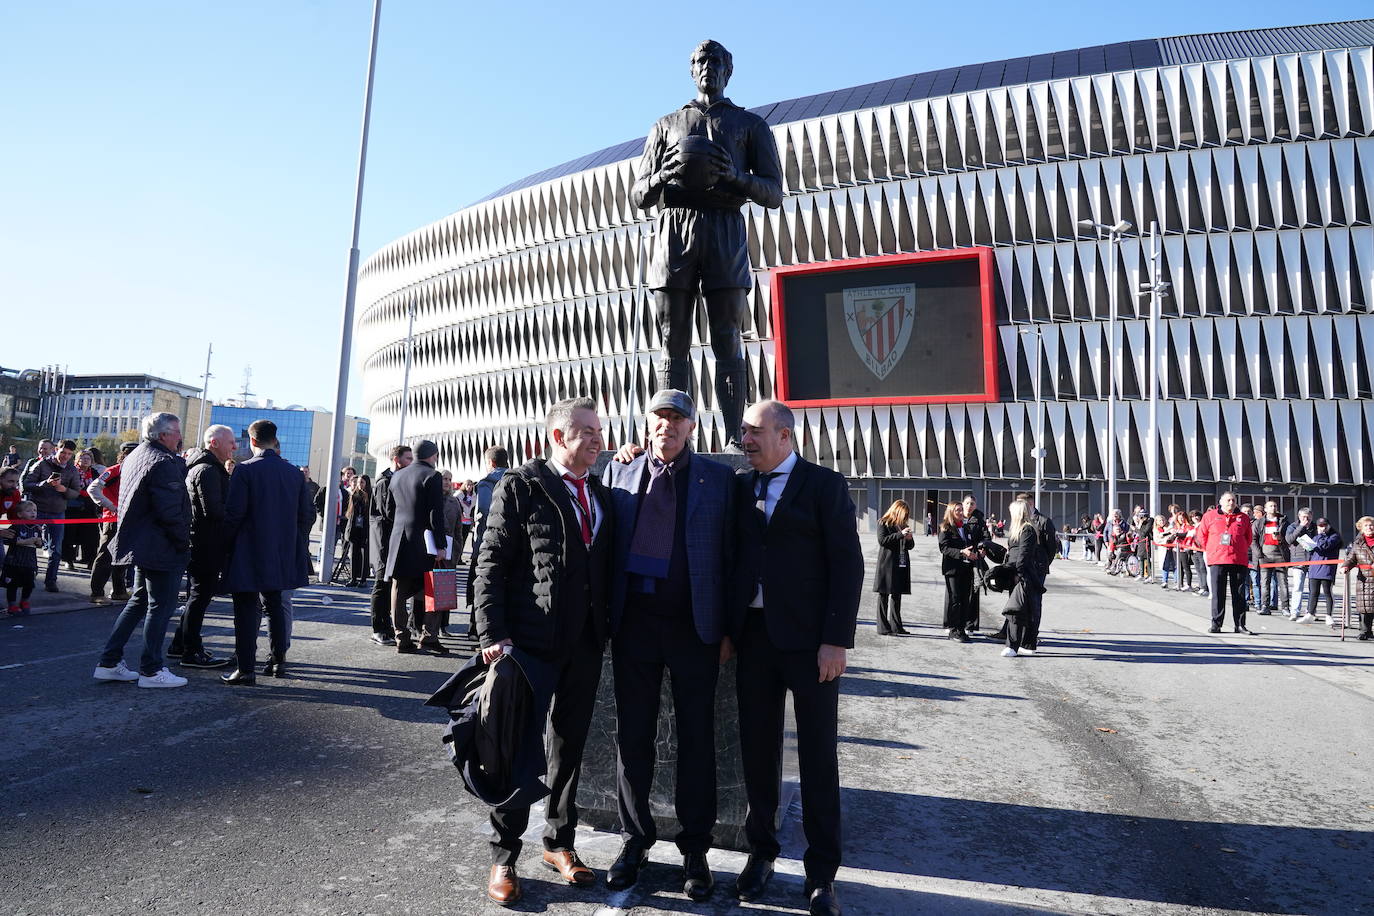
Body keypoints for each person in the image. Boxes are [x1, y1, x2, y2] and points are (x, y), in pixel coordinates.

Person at [473, 397, 613, 906]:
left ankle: (559, 842)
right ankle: (504, 855)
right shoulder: (522, 485)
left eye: (600, 430)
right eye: (588, 431)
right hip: (529, 646)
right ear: (558, 437)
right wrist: (492, 634)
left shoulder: (600, 492)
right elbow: (489, 563)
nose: (599, 439)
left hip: (586, 645)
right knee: (517, 750)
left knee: (568, 750)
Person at [600, 389, 735, 899]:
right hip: (634, 623)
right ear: (647, 425)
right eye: (660, 417)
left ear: (691, 428)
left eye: (678, 419)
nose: (668, 426)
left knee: (696, 739)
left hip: (694, 627)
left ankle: (695, 849)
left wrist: (728, 629)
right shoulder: (619, 472)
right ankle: (634, 839)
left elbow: (732, 555)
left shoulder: (720, 479)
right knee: (632, 736)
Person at [730, 399, 861, 916]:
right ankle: (760, 854)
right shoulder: (739, 486)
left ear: (784, 436)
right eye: (743, 431)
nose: (746, 439)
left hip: (812, 646)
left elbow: (846, 566)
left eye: (754, 431)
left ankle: (822, 875)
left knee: (817, 758)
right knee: (758, 755)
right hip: (754, 640)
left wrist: (837, 640)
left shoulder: (824, 486)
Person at [631, 40, 783, 449]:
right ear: (691, 70)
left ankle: (735, 437)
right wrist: (663, 175)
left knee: (727, 334)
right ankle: (671, 438)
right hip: (673, 231)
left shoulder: (750, 125)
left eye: (716, 61)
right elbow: (638, 195)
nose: (708, 67)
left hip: (724, 228)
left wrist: (734, 177)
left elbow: (773, 192)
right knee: (671, 336)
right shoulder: (665, 125)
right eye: (700, 60)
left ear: (728, 71)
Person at [93, 413, 191, 689]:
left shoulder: (138, 455)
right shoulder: (163, 462)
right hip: (160, 545)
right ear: (163, 435)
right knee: (159, 606)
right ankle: (151, 669)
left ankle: (109, 662)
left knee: (139, 602)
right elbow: (170, 511)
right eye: (176, 432)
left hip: (140, 541)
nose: (180, 437)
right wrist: (184, 542)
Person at [218, 419, 316, 685]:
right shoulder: (294, 474)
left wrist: (224, 546)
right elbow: (306, 515)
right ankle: (278, 661)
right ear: (275, 440)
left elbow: (234, 514)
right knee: (275, 605)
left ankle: (246, 668)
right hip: (282, 549)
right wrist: (295, 540)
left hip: (249, 549)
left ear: (252, 441)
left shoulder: (245, 471)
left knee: (247, 609)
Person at [166, 424, 234, 669]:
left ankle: (179, 644)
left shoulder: (204, 467)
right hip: (206, 542)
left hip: (200, 541)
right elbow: (214, 511)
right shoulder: (208, 470)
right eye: (231, 442)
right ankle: (191, 651)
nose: (234, 447)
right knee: (199, 595)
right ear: (214, 443)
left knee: (197, 594)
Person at [385, 440, 449, 655]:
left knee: (399, 590)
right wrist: (441, 545)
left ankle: (401, 637)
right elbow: (435, 515)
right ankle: (429, 636)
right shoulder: (432, 475)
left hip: (399, 539)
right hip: (425, 541)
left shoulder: (397, 475)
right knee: (435, 588)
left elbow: (389, 510)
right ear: (434, 455)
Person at [23, 438, 84, 593]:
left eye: (69, 454)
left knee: (56, 549)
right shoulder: (42, 464)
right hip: (37, 511)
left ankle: (51, 581)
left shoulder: (72, 470)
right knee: (29, 544)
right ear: (57, 449)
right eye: (63, 452)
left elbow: (76, 492)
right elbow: (26, 484)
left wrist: (64, 490)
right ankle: (26, 577)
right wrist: (45, 484)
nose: (65, 456)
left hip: (57, 512)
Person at [368, 444, 413, 646]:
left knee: (390, 584)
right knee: (381, 583)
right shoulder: (385, 481)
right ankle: (379, 629)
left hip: (393, 541)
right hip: (384, 542)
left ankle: (387, 626)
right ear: (397, 459)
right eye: (408, 459)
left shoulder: (400, 479)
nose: (411, 462)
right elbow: (388, 513)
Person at [1194, 492, 1254, 635]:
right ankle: (1216, 624)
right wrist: (1211, 549)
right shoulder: (1210, 516)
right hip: (1217, 559)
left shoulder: (1243, 518)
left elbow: (1248, 538)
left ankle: (1240, 625)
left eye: (1233, 500)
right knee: (1218, 593)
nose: (1231, 503)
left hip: (1238, 559)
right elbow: (1201, 535)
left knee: (1239, 594)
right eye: (1228, 500)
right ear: (1220, 502)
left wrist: (1240, 548)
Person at [87, 441, 138, 604]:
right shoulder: (114, 470)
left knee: (122, 557)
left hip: (128, 520)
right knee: (105, 556)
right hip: (112, 520)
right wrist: (112, 506)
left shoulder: (135, 471)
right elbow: (92, 489)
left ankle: (119, 591)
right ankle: (96, 593)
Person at [1002, 499, 1047, 657]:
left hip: (1023, 575)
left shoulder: (1027, 529)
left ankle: (1014, 645)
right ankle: (1025, 644)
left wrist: (1018, 574)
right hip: (1018, 573)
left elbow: (1024, 555)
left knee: (1017, 610)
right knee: (1024, 610)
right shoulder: (1019, 529)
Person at [466, 445, 510, 609]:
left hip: (486, 542)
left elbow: (484, 510)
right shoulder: (517, 479)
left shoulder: (487, 482)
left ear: (491, 462)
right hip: (510, 542)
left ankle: (474, 629)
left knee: (481, 585)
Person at [938, 502, 982, 643]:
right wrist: (961, 552)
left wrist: (977, 551)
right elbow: (944, 548)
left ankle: (961, 629)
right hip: (953, 569)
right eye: (958, 510)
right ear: (951, 511)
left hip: (966, 568)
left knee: (965, 600)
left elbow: (971, 544)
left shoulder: (965, 527)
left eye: (961, 510)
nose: (961, 512)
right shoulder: (946, 527)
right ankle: (953, 630)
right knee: (955, 600)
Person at [873, 499, 914, 636]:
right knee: (883, 595)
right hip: (887, 563)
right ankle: (883, 627)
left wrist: (909, 538)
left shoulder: (902, 525)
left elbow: (910, 546)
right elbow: (882, 541)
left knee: (897, 596)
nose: (905, 517)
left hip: (900, 563)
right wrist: (900, 535)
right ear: (897, 511)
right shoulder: (883, 522)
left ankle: (897, 626)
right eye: (904, 514)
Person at [62, 450, 100, 569]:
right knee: (69, 535)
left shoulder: (94, 472)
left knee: (91, 536)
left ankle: (90, 560)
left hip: (89, 507)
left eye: (88, 458)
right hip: (72, 506)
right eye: (82, 458)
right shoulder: (71, 471)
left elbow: (99, 487)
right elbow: (66, 486)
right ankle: (68, 560)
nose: (85, 460)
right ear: (77, 460)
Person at [1251, 500, 1289, 615]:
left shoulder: (1283, 521)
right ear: (1265, 509)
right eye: (1270, 506)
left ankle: (1285, 607)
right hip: (1265, 555)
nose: (1273, 508)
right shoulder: (1259, 522)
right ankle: (1264, 606)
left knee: (1283, 582)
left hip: (1280, 555)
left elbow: (1289, 538)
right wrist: (1259, 554)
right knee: (1265, 582)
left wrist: (1281, 539)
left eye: (1275, 506)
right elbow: (1253, 539)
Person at [3, 500, 42, 614]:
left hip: (29, 562)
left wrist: (39, 542)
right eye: (28, 510)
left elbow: (40, 544)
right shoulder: (16, 526)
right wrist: (24, 541)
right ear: (20, 514)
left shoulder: (36, 528)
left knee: (29, 584)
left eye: (34, 510)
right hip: (14, 561)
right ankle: (12, 604)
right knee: (12, 585)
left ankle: (24, 601)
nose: (33, 513)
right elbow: (7, 540)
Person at [1340, 516, 1374, 640]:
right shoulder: (1357, 543)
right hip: (1364, 579)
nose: (1369, 527)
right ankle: (1365, 631)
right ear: (1361, 528)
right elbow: (1351, 558)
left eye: (1371, 525)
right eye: (1366, 526)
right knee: (1365, 606)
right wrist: (1345, 567)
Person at [1306, 518, 1343, 622]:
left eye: (1324, 525)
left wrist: (1320, 536)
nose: (1322, 528)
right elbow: (1312, 551)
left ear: (1329, 526)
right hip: (1314, 567)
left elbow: (1324, 546)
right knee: (1313, 592)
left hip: (1327, 567)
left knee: (1327, 592)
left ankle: (1329, 615)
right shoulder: (1316, 536)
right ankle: (1310, 613)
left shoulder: (1334, 536)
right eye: (1320, 526)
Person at [1285, 507, 1317, 621]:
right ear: (1299, 517)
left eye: (1308, 517)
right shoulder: (1293, 526)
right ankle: (1295, 612)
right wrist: (1301, 527)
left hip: (1313, 561)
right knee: (1297, 587)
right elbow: (1289, 539)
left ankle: (1311, 612)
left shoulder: (1315, 527)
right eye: (1303, 517)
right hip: (1298, 560)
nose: (1306, 519)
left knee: (1313, 589)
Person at [344, 474, 372, 588]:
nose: (359, 485)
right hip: (355, 528)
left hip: (365, 529)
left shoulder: (370, 496)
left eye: (362, 482)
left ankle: (363, 579)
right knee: (353, 554)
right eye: (358, 482)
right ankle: (353, 578)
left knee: (365, 554)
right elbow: (350, 514)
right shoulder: (354, 495)